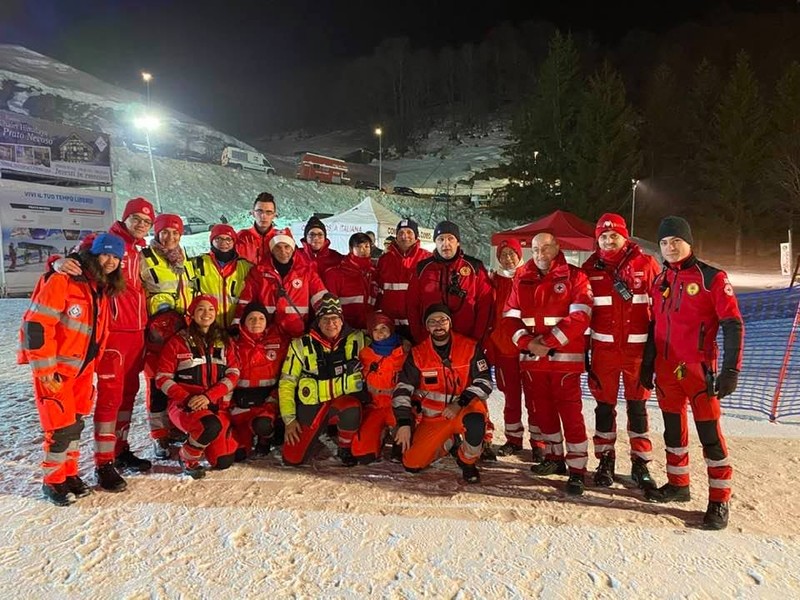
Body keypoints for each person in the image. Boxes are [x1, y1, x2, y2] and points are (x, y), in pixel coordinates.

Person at [639, 216, 743, 530]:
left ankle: (719, 499)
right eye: (664, 242)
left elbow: (733, 324)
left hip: (698, 370)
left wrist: (731, 369)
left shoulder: (712, 278)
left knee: (710, 436)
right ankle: (678, 484)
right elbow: (655, 325)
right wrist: (647, 363)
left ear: (689, 242)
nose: (670, 247)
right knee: (673, 432)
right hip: (667, 371)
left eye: (676, 241)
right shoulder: (660, 280)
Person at [54, 197, 157, 490]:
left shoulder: (138, 250)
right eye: (136, 218)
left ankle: (120, 449)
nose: (141, 224)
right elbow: (72, 261)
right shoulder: (103, 241)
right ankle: (103, 462)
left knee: (128, 395)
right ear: (125, 218)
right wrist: (56, 262)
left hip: (137, 333)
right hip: (113, 334)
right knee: (110, 398)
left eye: (146, 221)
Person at [19, 233, 125, 505]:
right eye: (106, 254)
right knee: (59, 429)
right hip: (55, 371)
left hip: (81, 370)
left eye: (116, 257)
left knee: (74, 424)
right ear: (93, 254)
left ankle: (70, 474)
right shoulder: (63, 280)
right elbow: (36, 325)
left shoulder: (98, 287)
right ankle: (53, 481)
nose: (110, 261)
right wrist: (45, 370)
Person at [502, 232, 593, 495]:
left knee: (571, 416)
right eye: (535, 249)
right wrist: (527, 343)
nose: (540, 254)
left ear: (557, 247)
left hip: (564, 362)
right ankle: (554, 457)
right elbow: (509, 316)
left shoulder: (575, 276)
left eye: (545, 248)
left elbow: (581, 315)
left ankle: (577, 469)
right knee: (543, 413)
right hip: (533, 361)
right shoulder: (522, 277)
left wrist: (547, 342)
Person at [582, 213, 661, 490]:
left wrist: (655, 351)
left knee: (637, 408)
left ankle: (640, 463)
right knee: (604, 408)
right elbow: (583, 312)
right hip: (604, 353)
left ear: (625, 237)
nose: (608, 240)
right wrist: (583, 351)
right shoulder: (589, 268)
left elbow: (660, 310)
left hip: (636, 353)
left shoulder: (646, 264)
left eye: (613, 235)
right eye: (603, 236)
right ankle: (606, 460)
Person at [392, 304, 492, 483]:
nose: (438, 325)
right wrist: (404, 423)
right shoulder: (418, 354)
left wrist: (460, 402)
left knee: (475, 422)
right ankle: (449, 442)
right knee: (411, 463)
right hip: (435, 418)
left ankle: (467, 461)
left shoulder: (470, 347)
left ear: (450, 323)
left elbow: (485, 382)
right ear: (427, 327)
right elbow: (402, 389)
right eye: (432, 322)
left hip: (465, 409)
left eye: (442, 320)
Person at [155, 295, 240, 479]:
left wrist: (209, 397)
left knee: (222, 461)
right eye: (200, 309)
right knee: (209, 426)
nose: (206, 313)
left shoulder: (224, 341)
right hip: (186, 405)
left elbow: (233, 374)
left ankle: (202, 440)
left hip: (215, 405)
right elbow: (162, 378)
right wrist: (187, 398)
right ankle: (187, 458)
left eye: (211, 309)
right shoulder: (178, 342)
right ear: (192, 314)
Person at [278, 294, 367, 467]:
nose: (330, 323)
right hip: (313, 405)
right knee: (292, 459)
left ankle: (345, 446)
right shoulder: (300, 345)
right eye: (325, 319)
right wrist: (289, 420)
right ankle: (318, 432)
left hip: (342, 403)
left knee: (351, 407)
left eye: (335, 318)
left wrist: (404, 343)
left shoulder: (359, 339)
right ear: (318, 322)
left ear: (341, 320)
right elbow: (287, 383)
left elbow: (383, 345)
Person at [140, 213, 198, 459]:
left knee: (177, 380)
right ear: (157, 232)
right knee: (156, 384)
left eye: (175, 232)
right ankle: (159, 435)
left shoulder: (184, 260)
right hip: (156, 335)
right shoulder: (145, 258)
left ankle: (173, 427)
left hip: (181, 332)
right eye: (165, 232)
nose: (170, 237)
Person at [487, 239, 542, 459]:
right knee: (511, 398)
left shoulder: (531, 277)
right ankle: (513, 439)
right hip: (504, 348)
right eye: (503, 255)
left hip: (528, 347)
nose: (508, 258)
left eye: (512, 254)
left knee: (534, 398)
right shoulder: (495, 281)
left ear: (520, 255)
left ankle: (539, 442)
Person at [407, 220, 493, 345]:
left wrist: (477, 339)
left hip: (466, 340)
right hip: (430, 339)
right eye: (440, 239)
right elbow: (412, 305)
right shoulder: (422, 269)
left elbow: (485, 305)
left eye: (450, 238)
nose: (445, 244)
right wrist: (419, 336)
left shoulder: (475, 268)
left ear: (458, 242)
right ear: (435, 242)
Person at [236, 228, 328, 340]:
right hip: (267, 334)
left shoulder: (306, 271)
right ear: (272, 250)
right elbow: (246, 300)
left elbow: (321, 299)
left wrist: (326, 324)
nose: (283, 251)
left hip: (297, 332)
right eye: (278, 247)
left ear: (293, 248)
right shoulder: (259, 272)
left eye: (287, 247)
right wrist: (236, 323)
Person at [230, 302, 288, 459]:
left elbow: (285, 376)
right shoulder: (233, 344)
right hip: (240, 405)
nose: (257, 322)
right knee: (238, 455)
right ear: (244, 322)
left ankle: (266, 438)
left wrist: (273, 400)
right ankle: (245, 439)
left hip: (267, 402)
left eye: (261, 318)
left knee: (263, 425)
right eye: (252, 318)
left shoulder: (279, 343)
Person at [351, 312, 407, 463]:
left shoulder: (405, 353)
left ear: (391, 329)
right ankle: (381, 432)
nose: (380, 332)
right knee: (362, 453)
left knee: (406, 454)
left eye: (384, 328)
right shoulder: (364, 354)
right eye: (375, 329)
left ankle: (396, 435)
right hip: (374, 407)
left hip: (398, 407)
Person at [375, 218, 432, 340]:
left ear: (416, 236)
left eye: (409, 232)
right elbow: (378, 291)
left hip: (417, 324)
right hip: (390, 325)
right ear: (396, 237)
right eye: (401, 233)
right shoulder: (384, 260)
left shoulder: (427, 259)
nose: (404, 236)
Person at [193, 224, 253, 329]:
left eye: (228, 239)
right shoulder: (198, 263)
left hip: (236, 326)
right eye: (218, 239)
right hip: (207, 326)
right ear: (212, 241)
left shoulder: (246, 266)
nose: (223, 243)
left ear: (234, 242)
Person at [323, 232, 378, 330]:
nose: (363, 250)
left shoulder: (374, 273)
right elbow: (329, 306)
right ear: (351, 249)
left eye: (367, 246)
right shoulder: (335, 274)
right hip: (344, 329)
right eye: (359, 247)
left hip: (370, 329)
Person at [235, 192, 279, 266]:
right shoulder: (241, 237)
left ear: (274, 215)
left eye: (268, 212)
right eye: (259, 211)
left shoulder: (280, 238)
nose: (263, 216)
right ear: (253, 213)